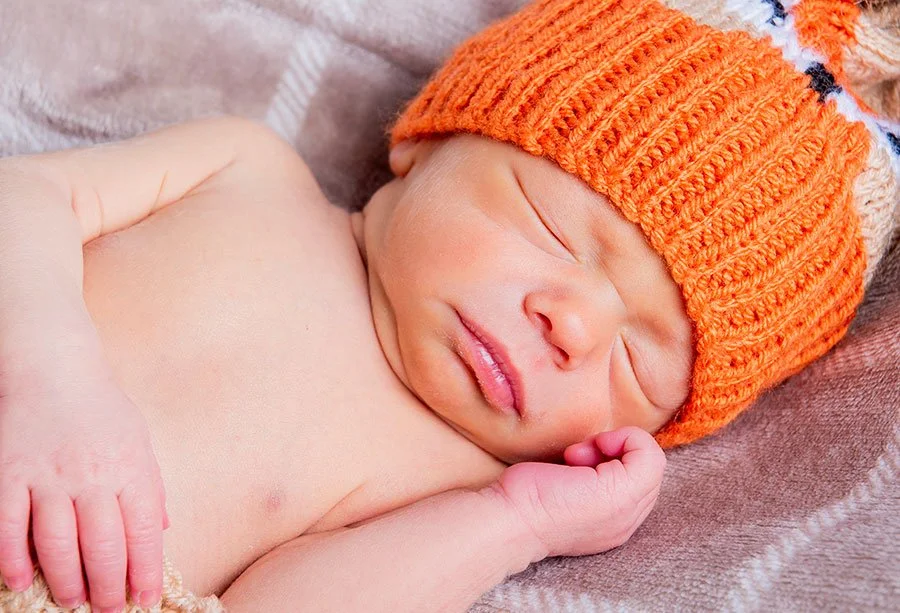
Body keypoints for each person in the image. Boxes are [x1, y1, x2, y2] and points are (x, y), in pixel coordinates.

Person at [0, 0, 897, 610]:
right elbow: (24, 201)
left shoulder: (448, 482)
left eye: (638, 358)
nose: (576, 326)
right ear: (428, 143)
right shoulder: (246, 172)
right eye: (554, 227)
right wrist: (49, 380)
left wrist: (516, 523)